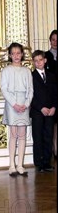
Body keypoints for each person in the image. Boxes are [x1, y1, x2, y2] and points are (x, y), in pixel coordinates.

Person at [0, 42, 33, 177]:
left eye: (18, 53)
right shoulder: (6, 70)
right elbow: (4, 88)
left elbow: (30, 89)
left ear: (22, 54)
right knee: (13, 134)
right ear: (9, 55)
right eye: (13, 53)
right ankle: (12, 165)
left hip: (24, 104)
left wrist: (26, 103)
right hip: (11, 104)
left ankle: (20, 165)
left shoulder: (27, 71)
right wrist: (14, 104)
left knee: (22, 135)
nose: (16, 56)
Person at [30, 50, 56, 173]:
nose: (38, 63)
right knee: (38, 136)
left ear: (45, 60)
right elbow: (31, 95)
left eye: (41, 60)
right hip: (37, 111)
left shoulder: (52, 76)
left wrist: (54, 107)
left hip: (50, 111)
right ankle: (39, 162)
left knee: (48, 136)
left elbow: (56, 94)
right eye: (36, 61)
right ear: (33, 62)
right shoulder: (31, 76)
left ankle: (47, 162)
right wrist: (41, 107)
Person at [45, 29, 57, 157]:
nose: (55, 42)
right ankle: (54, 150)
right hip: (51, 94)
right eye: (53, 39)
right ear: (50, 41)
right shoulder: (45, 56)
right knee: (53, 124)